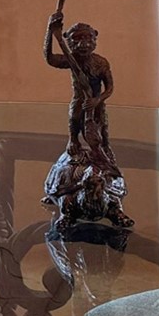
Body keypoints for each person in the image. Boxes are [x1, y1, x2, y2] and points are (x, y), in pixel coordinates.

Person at [43, 12, 129, 226]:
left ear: (95, 38)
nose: (83, 43)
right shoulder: (71, 60)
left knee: (102, 133)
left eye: (88, 38)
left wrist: (97, 99)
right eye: (77, 39)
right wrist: (50, 32)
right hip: (80, 101)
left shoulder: (100, 62)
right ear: (70, 41)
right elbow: (50, 58)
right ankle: (73, 141)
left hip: (96, 103)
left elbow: (110, 88)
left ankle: (104, 154)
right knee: (74, 116)